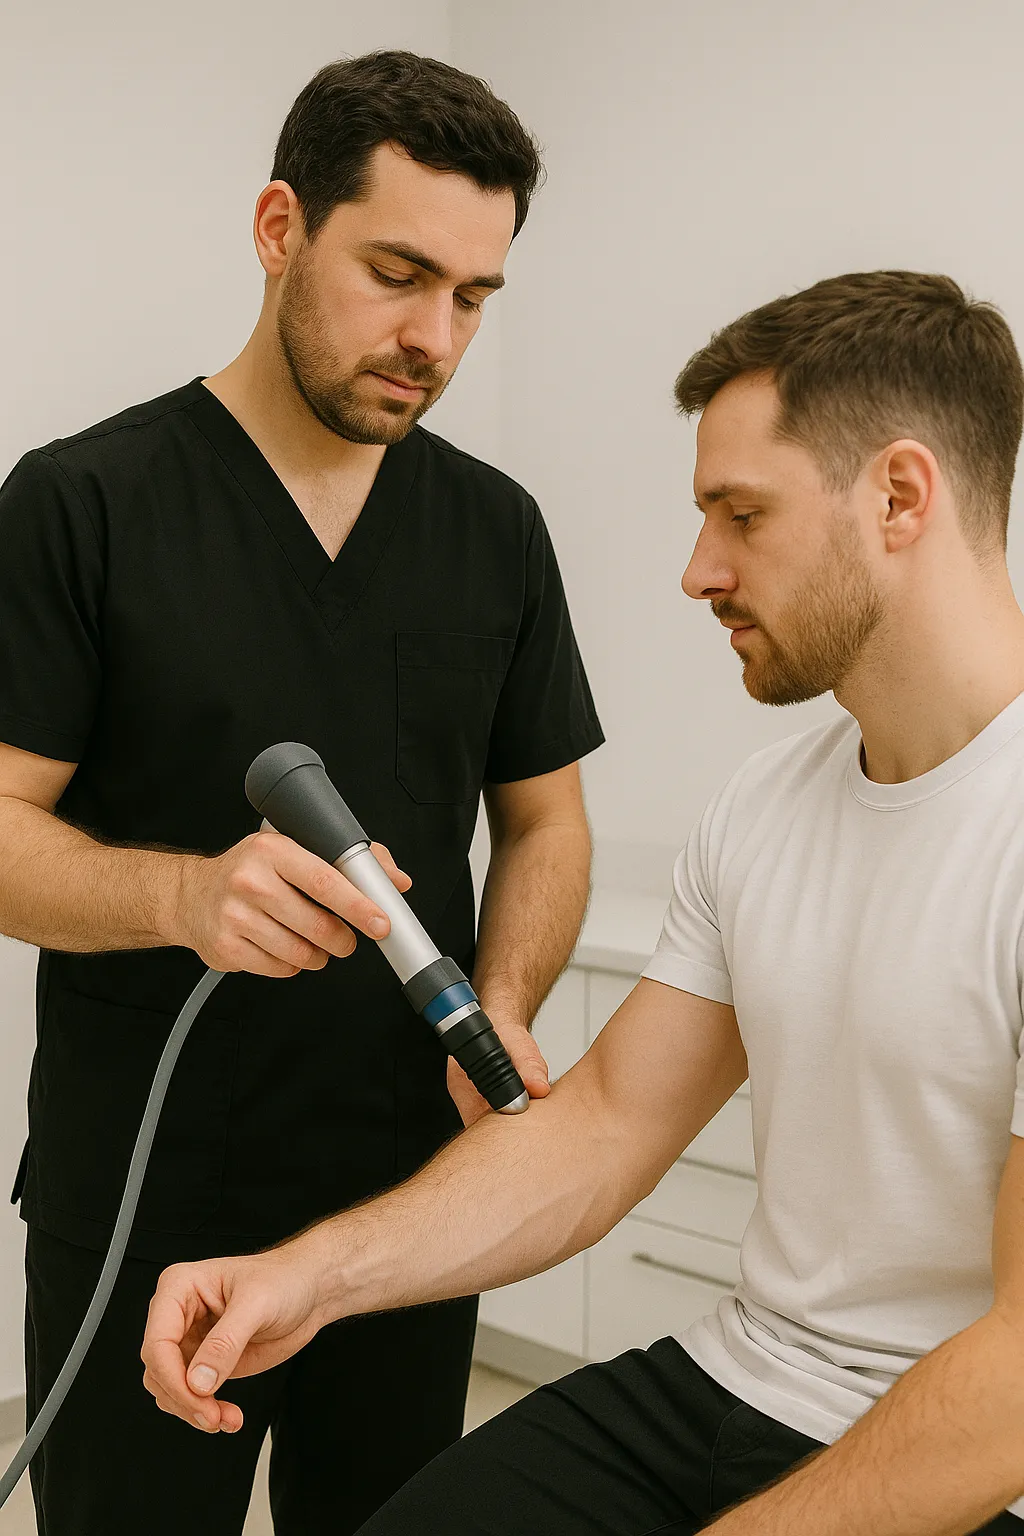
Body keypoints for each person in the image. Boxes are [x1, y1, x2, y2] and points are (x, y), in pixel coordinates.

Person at [143, 269, 1024, 1536]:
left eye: (740, 514)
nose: (696, 570)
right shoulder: (768, 805)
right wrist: (309, 1278)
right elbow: (605, 1123)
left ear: (898, 495)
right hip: (741, 1377)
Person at [0, 48, 604, 1536]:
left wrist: (509, 1000)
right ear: (280, 228)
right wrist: (180, 895)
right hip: (149, 1203)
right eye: (398, 273)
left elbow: (546, 821)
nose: (434, 336)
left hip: (409, 1208)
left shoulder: (494, 530)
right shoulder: (84, 505)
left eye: (474, 297)